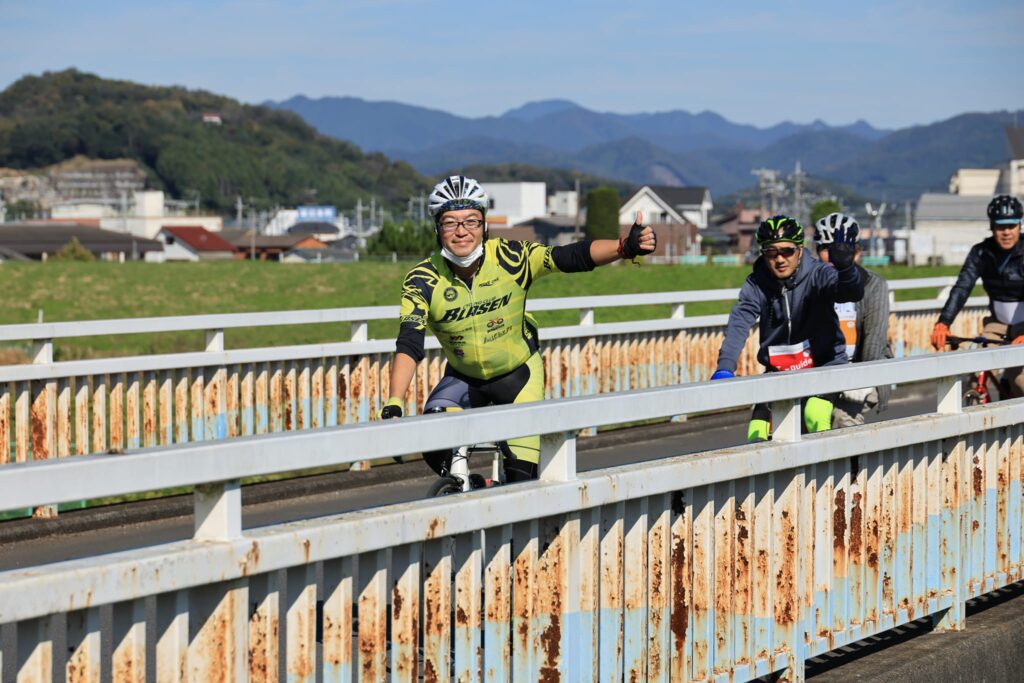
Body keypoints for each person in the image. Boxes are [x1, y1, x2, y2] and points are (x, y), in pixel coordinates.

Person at [379, 175, 657, 481]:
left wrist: (625, 247)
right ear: (437, 229)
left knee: (520, 480)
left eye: (471, 221)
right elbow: (410, 342)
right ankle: (470, 486)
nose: (462, 232)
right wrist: (395, 401)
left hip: (518, 378)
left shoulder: (510, 258)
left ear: (484, 225)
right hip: (463, 380)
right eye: (450, 222)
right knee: (434, 444)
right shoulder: (422, 279)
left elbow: (569, 256)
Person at [710, 214, 863, 441]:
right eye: (771, 252)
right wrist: (725, 367)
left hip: (823, 365)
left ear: (800, 250)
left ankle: (826, 475)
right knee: (757, 434)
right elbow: (739, 322)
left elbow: (849, 293)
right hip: (780, 370)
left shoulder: (818, 274)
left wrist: (847, 269)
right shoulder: (757, 283)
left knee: (815, 415)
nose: (779, 259)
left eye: (787, 251)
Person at [930, 194, 1024, 398]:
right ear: (992, 227)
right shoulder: (981, 253)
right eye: (1000, 227)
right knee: (975, 367)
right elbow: (962, 287)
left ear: (1019, 226)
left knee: (1020, 382)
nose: (1006, 232)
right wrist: (943, 323)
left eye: (1011, 226)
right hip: (997, 324)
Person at [814, 212, 892, 427]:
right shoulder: (812, 282)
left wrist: (861, 380)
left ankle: (856, 461)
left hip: (864, 369)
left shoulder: (873, 284)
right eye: (826, 249)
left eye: (843, 250)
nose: (833, 256)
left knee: (842, 422)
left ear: (857, 252)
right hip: (823, 372)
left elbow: (874, 340)